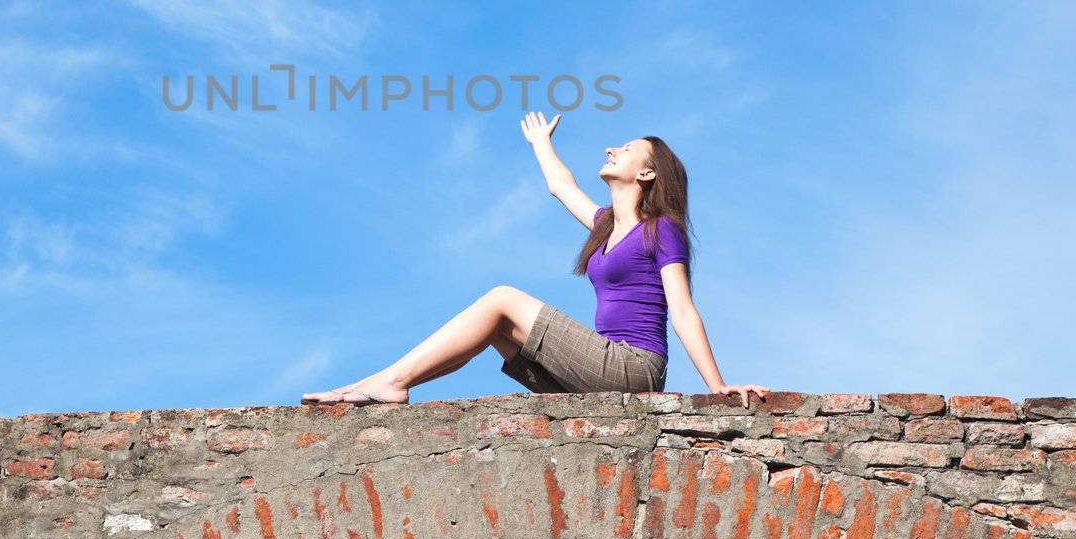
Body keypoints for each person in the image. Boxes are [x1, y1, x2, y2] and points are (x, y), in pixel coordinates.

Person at [300, 112, 769, 408]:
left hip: (634, 368)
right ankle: (383, 386)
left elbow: (682, 309)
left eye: (625, 149)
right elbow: (561, 187)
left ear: (647, 173)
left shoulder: (660, 229)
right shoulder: (607, 226)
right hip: (601, 374)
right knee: (501, 330)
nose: (611, 148)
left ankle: (390, 382)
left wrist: (716, 386)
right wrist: (541, 143)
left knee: (503, 299)